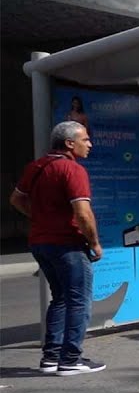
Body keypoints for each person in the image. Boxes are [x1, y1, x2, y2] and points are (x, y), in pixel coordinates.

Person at [9, 121, 105, 375]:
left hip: (40, 243)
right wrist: (94, 242)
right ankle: (71, 359)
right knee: (79, 300)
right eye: (85, 139)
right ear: (69, 143)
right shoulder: (72, 170)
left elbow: (16, 199)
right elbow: (83, 214)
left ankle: (51, 357)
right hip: (68, 244)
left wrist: (41, 218)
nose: (90, 144)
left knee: (60, 298)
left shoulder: (37, 166)